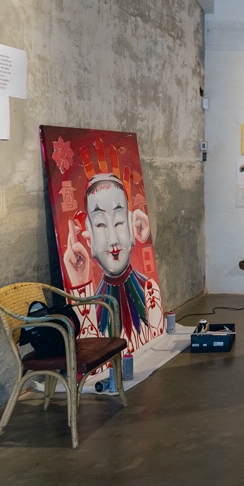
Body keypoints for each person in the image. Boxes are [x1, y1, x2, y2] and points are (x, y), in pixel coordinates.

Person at [63, 145, 164, 354]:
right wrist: (79, 282)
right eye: (100, 225)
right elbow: (88, 349)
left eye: (119, 222)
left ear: (131, 224)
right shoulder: (94, 309)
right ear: (89, 235)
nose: (113, 240)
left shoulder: (149, 292)